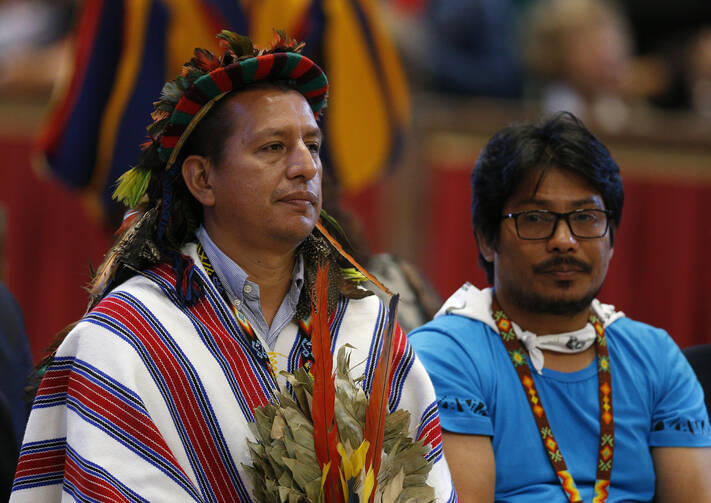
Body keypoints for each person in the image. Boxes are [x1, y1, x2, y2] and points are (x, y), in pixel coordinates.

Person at [11, 31, 455, 502]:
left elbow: (428, 483)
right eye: (272, 148)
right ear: (202, 178)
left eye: (313, 145)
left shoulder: (367, 325)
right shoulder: (127, 340)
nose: (305, 166)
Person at [409, 111, 711, 502]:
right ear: (486, 239)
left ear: (612, 238)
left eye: (586, 218)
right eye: (536, 218)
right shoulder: (446, 355)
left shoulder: (656, 357)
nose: (565, 240)